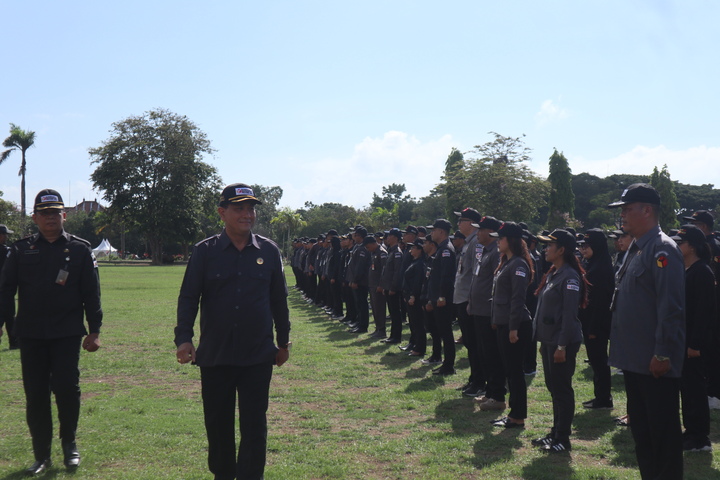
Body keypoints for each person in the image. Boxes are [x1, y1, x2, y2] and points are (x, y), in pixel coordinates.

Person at [175, 183, 291, 480]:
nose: (247, 214)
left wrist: (284, 341)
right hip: (216, 353)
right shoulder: (205, 251)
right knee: (217, 424)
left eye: (251, 208)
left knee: (255, 425)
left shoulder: (269, 250)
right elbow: (189, 297)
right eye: (239, 208)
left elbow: (279, 299)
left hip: (257, 353)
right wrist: (184, 338)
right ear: (222, 212)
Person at [0, 189, 102, 475]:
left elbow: (91, 292)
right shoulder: (21, 250)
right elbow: (6, 290)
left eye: (55, 213)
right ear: (35, 217)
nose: (50, 218)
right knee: (35, 394)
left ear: (64, 215)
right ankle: (41, 455)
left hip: (67, 332)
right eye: (44, 214)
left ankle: (69, 444)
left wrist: (95, 331)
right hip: (31, 334)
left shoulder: (81, 249)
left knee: (67, 389)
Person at [607, 183, 685, 480]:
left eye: (627, 209)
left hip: (654, 363)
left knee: (662, 434)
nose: (622, 216)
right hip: (634, 359)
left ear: (647, 210)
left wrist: (662, 352)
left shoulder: (663, 249)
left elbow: (671, 307)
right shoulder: (637, 247)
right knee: (643, 433)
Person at [532, 229, 587, 452]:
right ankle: (555, 433)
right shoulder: (555, 272)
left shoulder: (570, 276)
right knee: (553, 388)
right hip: (550, 340)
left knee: (562, 389)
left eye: (549, 246)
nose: (546, 249)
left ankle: (563, 439)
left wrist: (562, 346)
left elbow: (569, 314)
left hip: (561, 342)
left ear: (562, 250)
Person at [672, 225, 716, 452]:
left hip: (694, 343)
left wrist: (695, 345)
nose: (677, 246)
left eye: (680, 243)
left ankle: (700, 438)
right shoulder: (687, 269)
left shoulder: (702, 272)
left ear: (693, 246)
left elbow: (704, 312)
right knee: (687, 389)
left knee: (696, 390)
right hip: (684, 340)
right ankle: (690, 432)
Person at [489, 222, 533, 428]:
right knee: (510, 371)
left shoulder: (518, 264)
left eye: (501, 238)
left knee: (515, 373)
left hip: (516, 325)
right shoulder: (507, 262)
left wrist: (513, 327)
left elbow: (518, 298)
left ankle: (517, 416)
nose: (498, 241)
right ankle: (514, 414)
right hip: (505, 323)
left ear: (511, 240)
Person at [467, 216, 505, 411]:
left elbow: (496, 285)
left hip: (488, 311)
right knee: (484, 353)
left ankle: (498, 395)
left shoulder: (496, 253)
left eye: (480, 230)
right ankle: (490, 392)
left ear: (490, 232)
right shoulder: (485, 251)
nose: (477, 233)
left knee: (492, 354)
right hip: (478, 309)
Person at [578, 229, 615, 410]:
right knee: (595, 360)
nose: (583, 249)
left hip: (597, 323)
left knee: (599, 361)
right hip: (590, 321)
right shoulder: (592, 264)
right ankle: (600, 396)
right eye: (582, 246)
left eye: (587, 246)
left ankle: (603, 398)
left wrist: (593, 328)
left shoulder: (600, 268)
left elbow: (600, 302)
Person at [453, 208, 485, 397]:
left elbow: (477, 274)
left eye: (462, 220)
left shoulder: (477, 244)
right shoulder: (468, 243)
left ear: (472, 223)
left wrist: (471, 300)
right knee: (470, 344)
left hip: (469, 299)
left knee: (474, 343)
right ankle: (474, 378)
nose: (458, 224)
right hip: (462, 297)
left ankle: (479, 381)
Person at [424, 220, 457, 375]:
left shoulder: (446, 250)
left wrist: (442, 296)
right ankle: (445, 363)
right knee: (441, 331)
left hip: (443, 299)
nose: (432, 233)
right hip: (437, 297)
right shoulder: (441, 249)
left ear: (442, 232)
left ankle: (448, 365)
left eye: (434, 230)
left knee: (446, 332)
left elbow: (446, 277)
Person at [0, 223, 18, 349]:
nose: (6, 237)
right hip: (5, 289)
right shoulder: (6, 252)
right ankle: (14, 342)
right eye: (5, 235)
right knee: (9, 317)